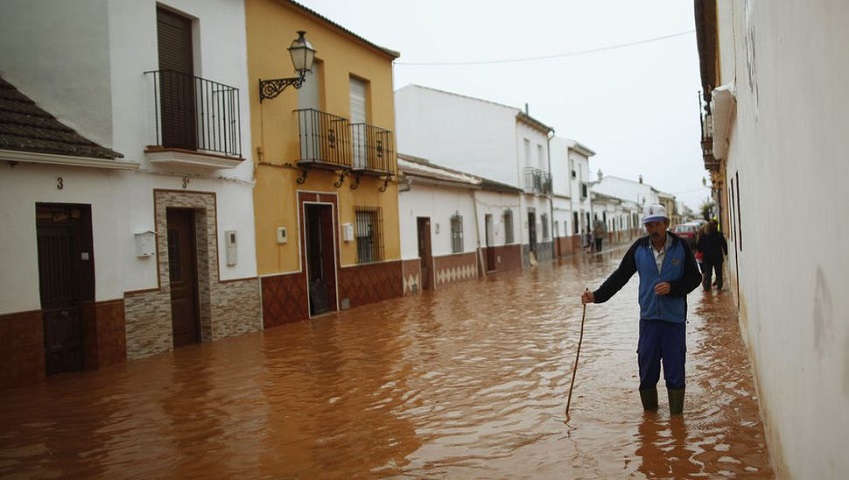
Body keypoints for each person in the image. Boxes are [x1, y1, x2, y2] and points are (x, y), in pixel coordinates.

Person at [580, 204, 702, 414]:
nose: (652, 229)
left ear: (666, 224)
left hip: (674, 322)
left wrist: (673, 288)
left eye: (656, 224)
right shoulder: (639, 248)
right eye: (648, 225)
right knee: (646, 371)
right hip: (648, 321)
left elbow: (696, 278)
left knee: (675, 372)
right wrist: (597, 296)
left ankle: (676, 422)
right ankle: (650, 422)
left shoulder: (681, 247)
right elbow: (620, 276)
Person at [696, 219, 728, 291]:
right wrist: (726, 252)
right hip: (718, 257)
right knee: (718, 272)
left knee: (708, 273)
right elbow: (724, 244)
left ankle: (707, 288)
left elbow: (699, 247)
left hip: (707, 258)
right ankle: (719, 287)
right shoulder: (719, 234)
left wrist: (702, 250)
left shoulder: (704, 236)